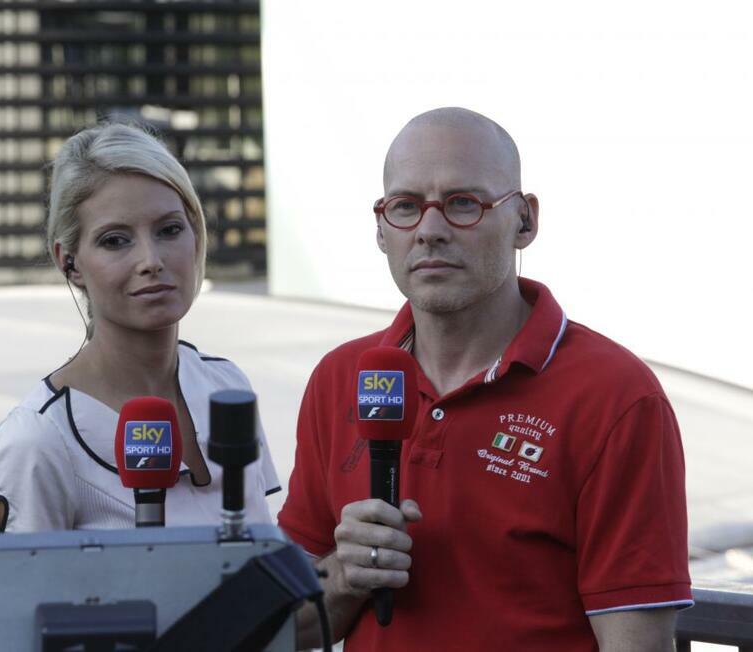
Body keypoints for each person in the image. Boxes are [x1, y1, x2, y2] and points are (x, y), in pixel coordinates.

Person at [279, 108, 691, 650]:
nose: (429, 230)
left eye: (462, 204)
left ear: (525, 220)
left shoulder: (617, 397)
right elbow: (284, 626)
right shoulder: (341, 377)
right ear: (381, 230)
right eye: (406, 206)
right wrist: (347, 576)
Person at [0, 123, 280, 533]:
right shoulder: (36, 441)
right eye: (116, 240)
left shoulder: (225, 386)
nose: (151, 259)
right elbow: (9, 593)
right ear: (69, 261)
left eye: (169, 230)